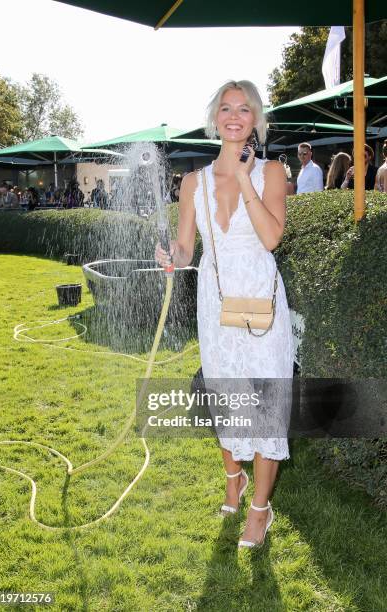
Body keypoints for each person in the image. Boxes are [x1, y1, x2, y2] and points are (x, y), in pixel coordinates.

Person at [155, 80, 293, 549]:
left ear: (255, 119)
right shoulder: (192, 182)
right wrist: (172, 253)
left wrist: (240, 179)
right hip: (216, 305)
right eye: (226, 108)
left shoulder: (272, 172)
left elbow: (272, 239)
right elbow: (189, 247)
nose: (235, 116)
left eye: (245, 109)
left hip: (263, 303)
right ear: (215, 118)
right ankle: (232, 477)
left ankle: (260, 509)